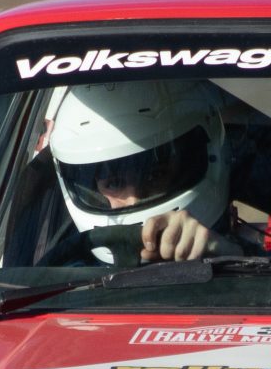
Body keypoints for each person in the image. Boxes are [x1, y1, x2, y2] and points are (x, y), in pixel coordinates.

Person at [47, 79, 243, 262]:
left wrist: (231, 258)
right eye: (114, 183)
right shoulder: (64, 274)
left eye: (154, 176)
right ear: (92, 189)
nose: (134, 199)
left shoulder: (231, 249)